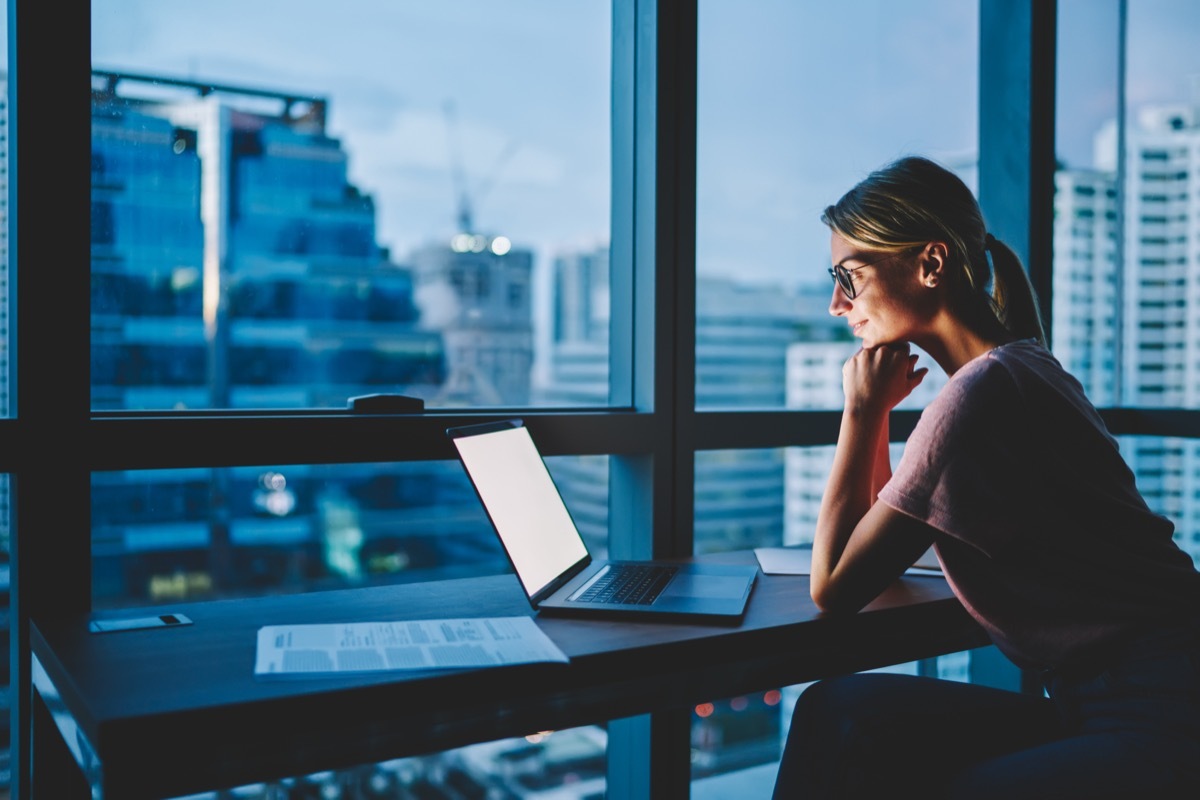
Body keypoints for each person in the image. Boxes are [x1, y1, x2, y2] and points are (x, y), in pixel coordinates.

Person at [770, 155, 1200, 799]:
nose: (837, 305)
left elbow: (834, 585)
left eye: (849, 277)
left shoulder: (976, 399)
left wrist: (861, 412)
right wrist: (878, 413)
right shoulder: (1024, 366)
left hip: (1158, 713)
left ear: (930, 263)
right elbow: (878, 540)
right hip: (1133, 690)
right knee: (839, 712)